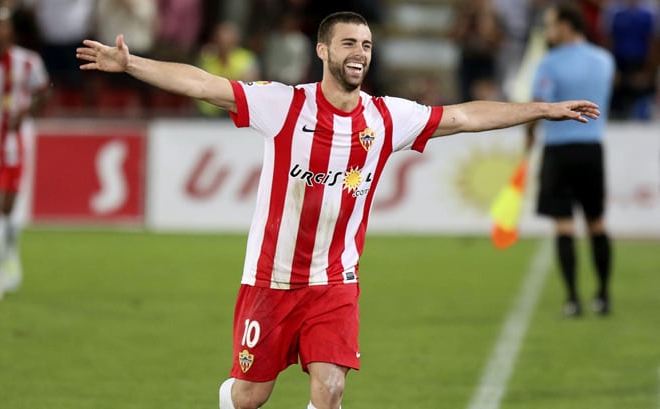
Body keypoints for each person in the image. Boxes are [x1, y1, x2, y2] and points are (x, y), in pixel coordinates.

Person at [76, 11, 600, 409]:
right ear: (324, 51)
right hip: (271, 279)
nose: (360, 52)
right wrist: (131, 64)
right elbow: (203, 83)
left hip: (334, 281)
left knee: (329, 388)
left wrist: (543, 108)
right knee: (251, 396)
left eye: (367, 44)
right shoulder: (283, 104)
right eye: (349, 42)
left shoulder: (387, 117)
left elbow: (463, 117)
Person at [526, 3, 615, 317]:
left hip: (559, 150)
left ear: (566, 25)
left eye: (551, 25)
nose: (548, 32)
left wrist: (529, 137)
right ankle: (603, 295)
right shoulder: (604, 59)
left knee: (564, 225)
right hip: (592, 149)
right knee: (597, 222)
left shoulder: (549, 63)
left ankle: (573, 299)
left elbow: (539, 105)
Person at [0, 6, 49, 301]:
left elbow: (43, 92)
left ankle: (10, 250)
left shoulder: (27, 62)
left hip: (11, 147)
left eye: (2, 27)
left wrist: (26, 111)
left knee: (7, 211)